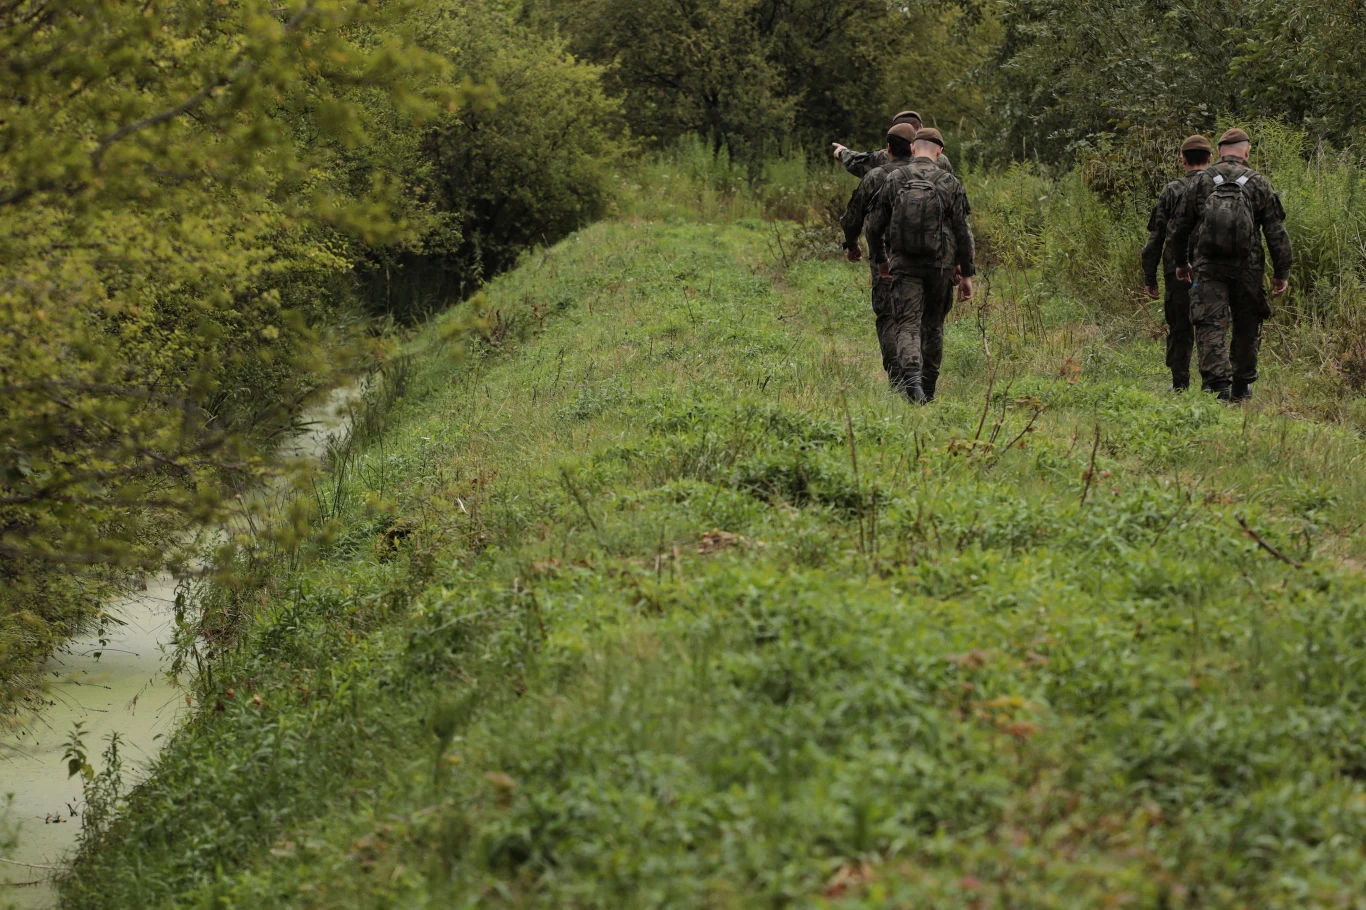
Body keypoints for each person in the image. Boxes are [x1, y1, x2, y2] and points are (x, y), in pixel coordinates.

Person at [1167, 128, 1292, 403]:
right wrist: (1281, 273)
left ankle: (1218, 385)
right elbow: (1276, 232)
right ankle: (1241, 386)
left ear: (1220, 151)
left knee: (1210, 323)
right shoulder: (1259, 182)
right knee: (1247, 324)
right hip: (1249, 266)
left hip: (1208, 266)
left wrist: (1181, 263)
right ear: (1246, 150)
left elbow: (1179, 228)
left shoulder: (1201, 181)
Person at [865, 128, 975, 404]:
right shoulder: (950, 182)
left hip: (904, 265)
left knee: (908, 324)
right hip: (940, 265)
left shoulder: (894, 178)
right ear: (940, 151)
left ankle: (912, 386)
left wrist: (881, 260)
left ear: (914, 148)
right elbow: (963, 231)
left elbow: (873, 226)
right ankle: (929, 389)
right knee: (934, 326)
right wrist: (966, 273)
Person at [840, 123, 918, 389]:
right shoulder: (934, 173)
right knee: (919, 316)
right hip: (926, 257)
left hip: (885, 257)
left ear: (888, 149)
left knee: (887, 316)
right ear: (913, 148)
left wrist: (851, 244)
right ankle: (920, 378)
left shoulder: (875, 176)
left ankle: (898, 377)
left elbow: (852, 217)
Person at [1142, 135, 1212, 392]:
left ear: (1182, 159)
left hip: (1177, 271)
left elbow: (1156, 237)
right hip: (1213, 268)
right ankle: (1213, 384)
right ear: (1210, 158)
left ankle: (1180, 384)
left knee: (1180, 326)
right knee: (1211, 325)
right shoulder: (1218, 186)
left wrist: (1150, 277)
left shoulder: (1172, 190)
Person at [832, 111, 954, 179]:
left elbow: (857, 162)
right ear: (921, 127)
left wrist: (842, 152)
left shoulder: (883, 157)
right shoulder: (941, 160)